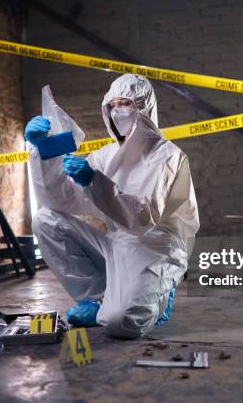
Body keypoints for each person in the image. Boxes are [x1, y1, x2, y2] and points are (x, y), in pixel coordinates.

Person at [25, 74, 200, 339]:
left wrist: (94, 181)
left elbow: (143, 217)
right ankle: (99, 300)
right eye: (113, 105)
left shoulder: (166, 155)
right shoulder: (106, 155)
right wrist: (41, 153)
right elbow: (59, 200)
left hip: (157, 249)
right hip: (117, 244)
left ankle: (161, 293)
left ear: (143, 108)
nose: (118, 111)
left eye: (126, 104)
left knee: (123, 323)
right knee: (45, 219)